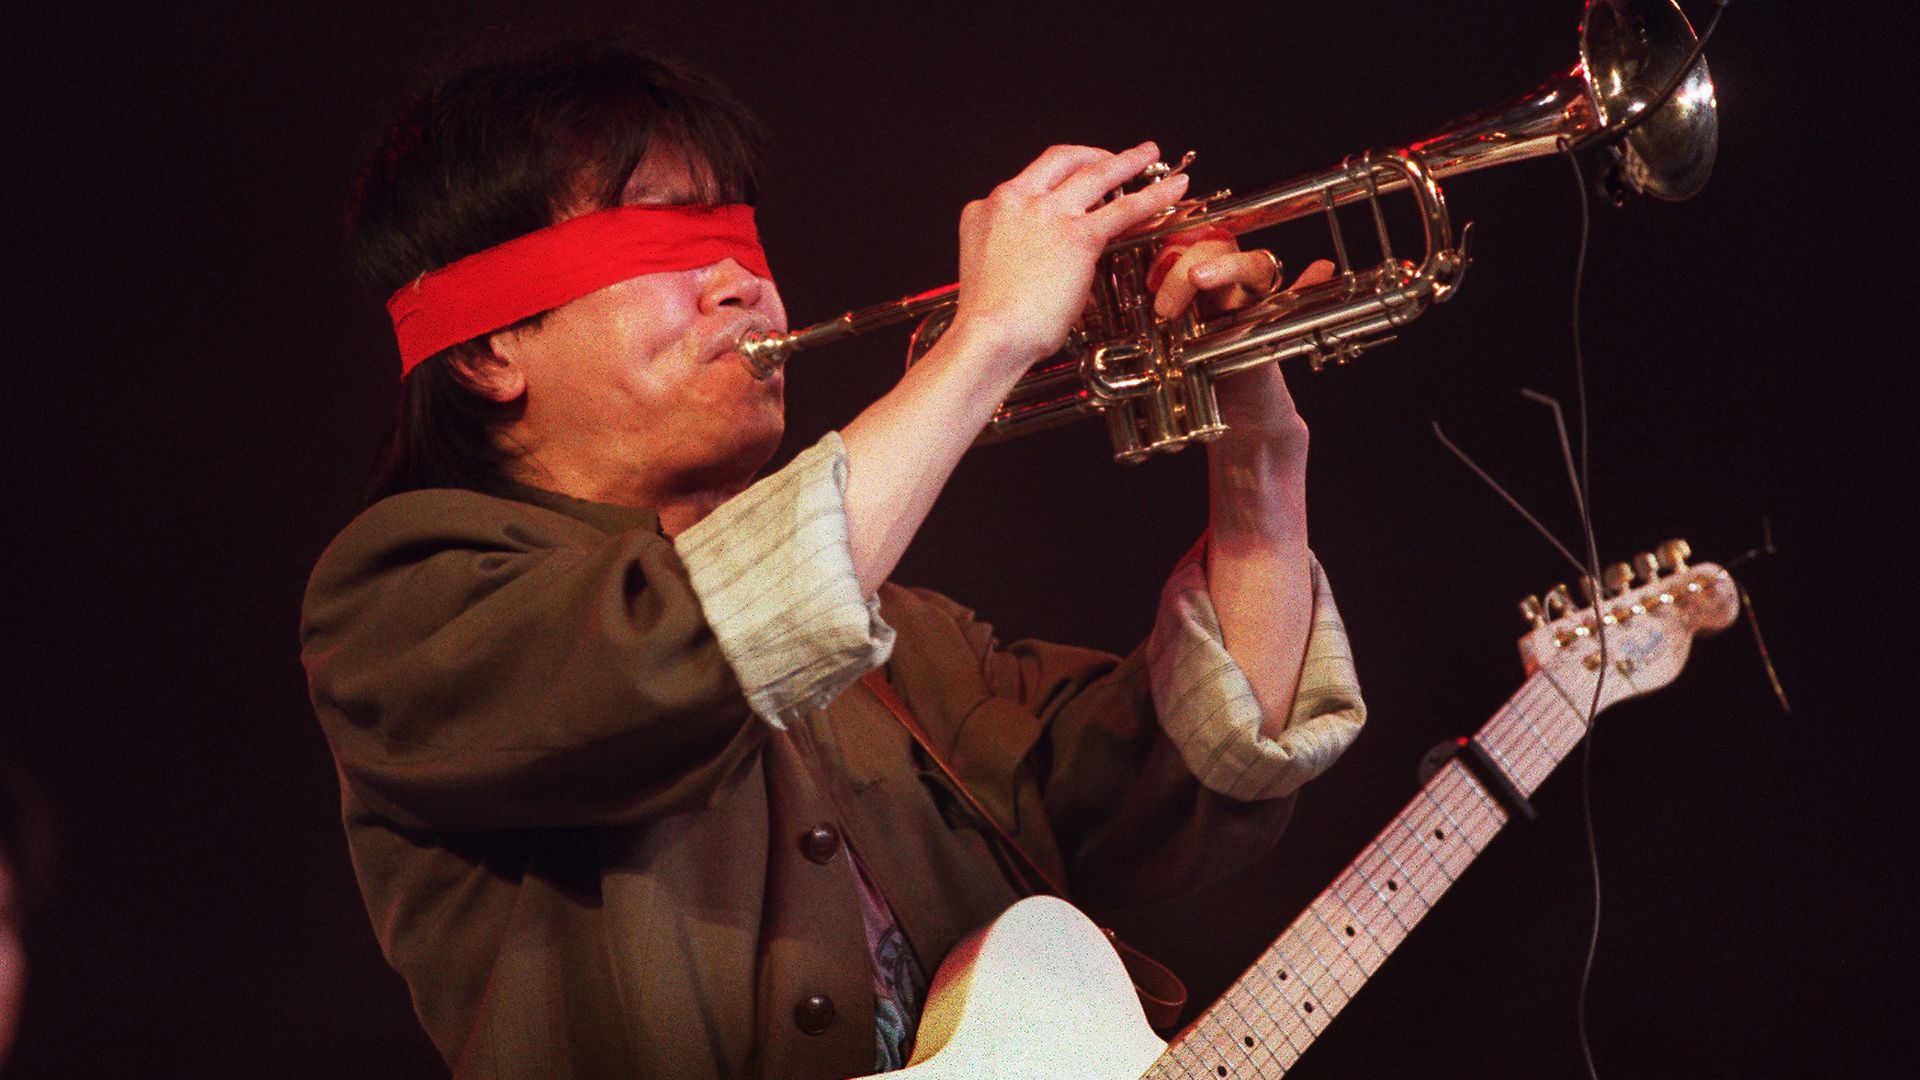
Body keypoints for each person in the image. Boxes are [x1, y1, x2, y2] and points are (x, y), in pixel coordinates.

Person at [301, 41, 1365, 1080]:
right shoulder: (402, 598)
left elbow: (1186, 789)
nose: (742, 286)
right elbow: (678, 650)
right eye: (660, 245)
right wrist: (988, 337)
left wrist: (1257, 446)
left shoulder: (909, 635)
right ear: (490, 349)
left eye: (737, 237)